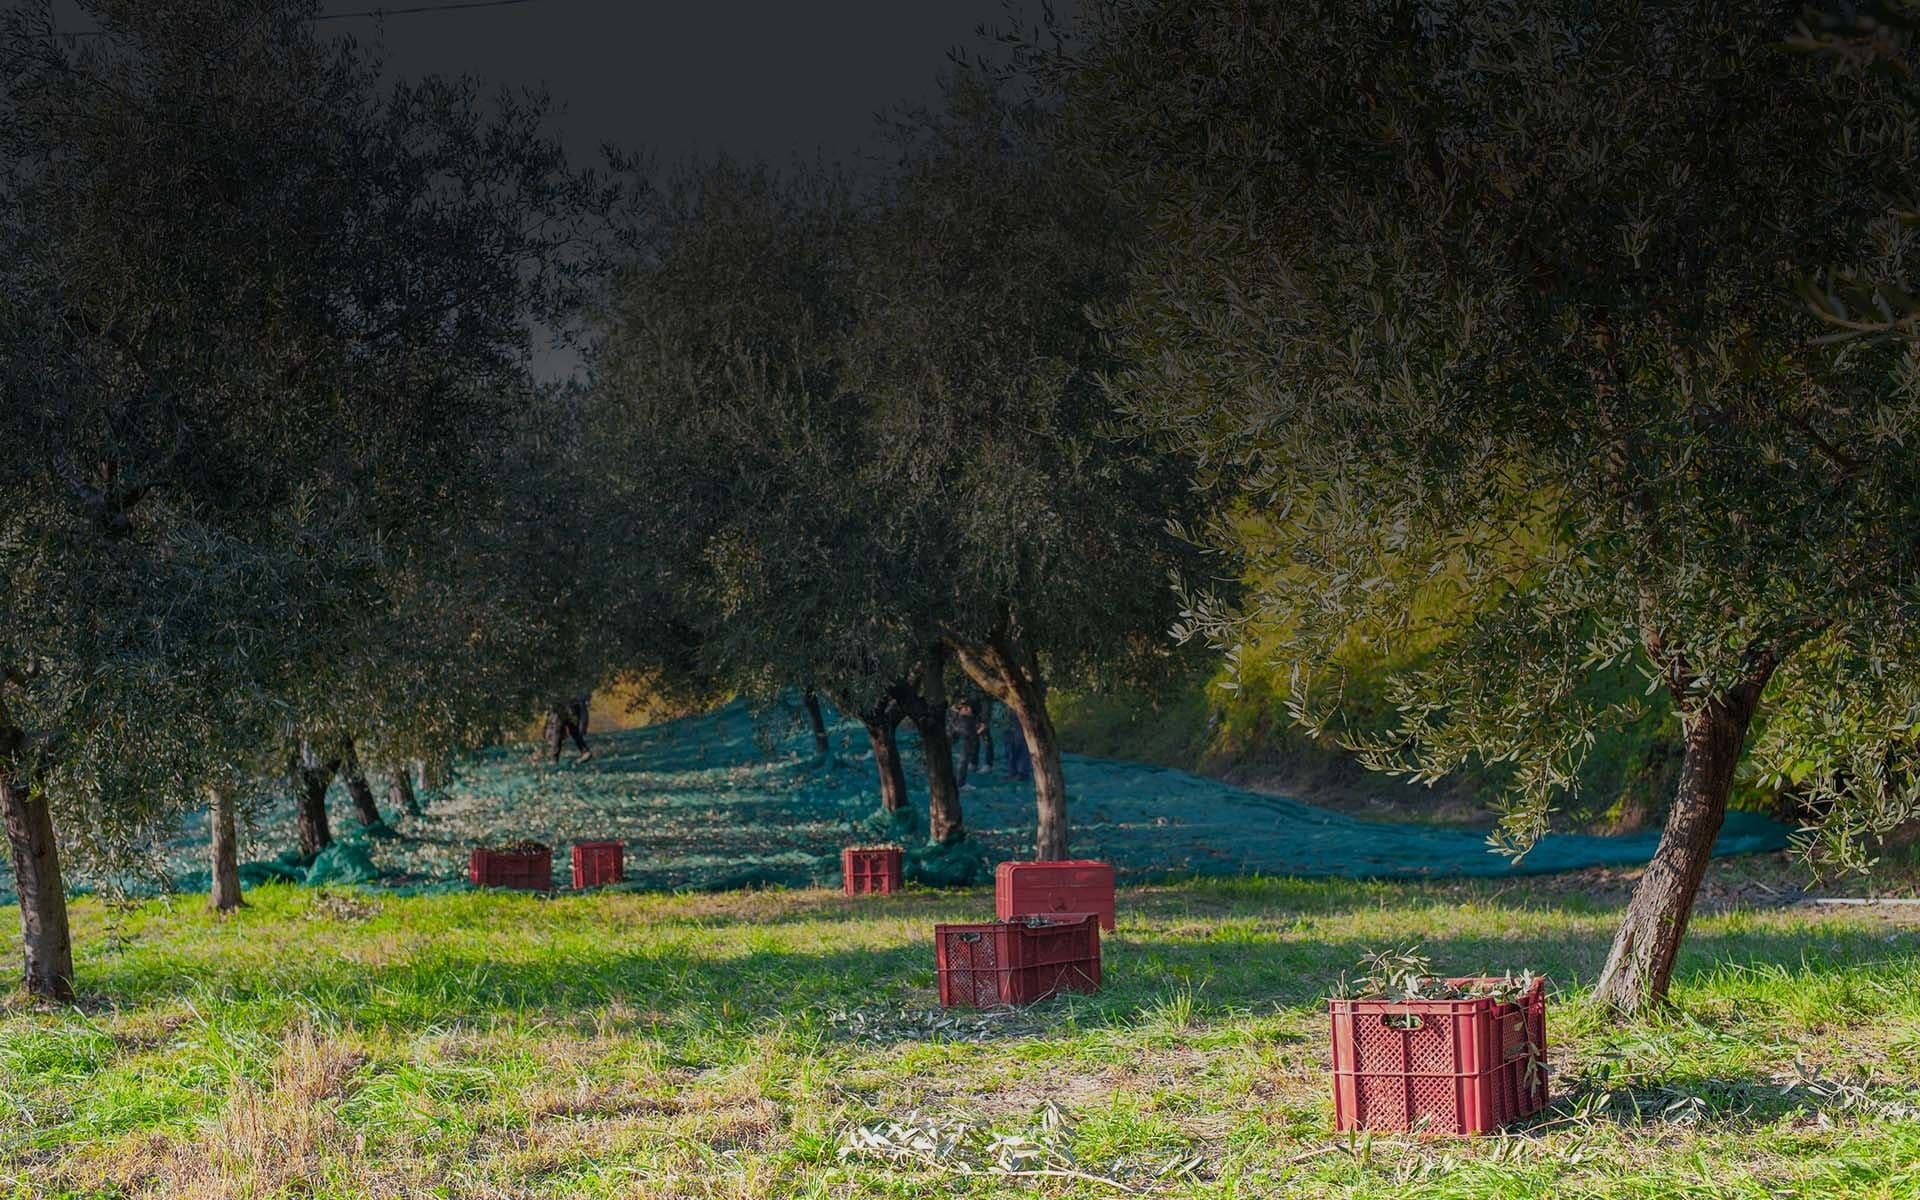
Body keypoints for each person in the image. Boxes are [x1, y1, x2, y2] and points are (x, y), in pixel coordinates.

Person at [947, 698, 981, 787]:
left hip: (963, 723)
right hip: (965, 724)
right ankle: (960, 783)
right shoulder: (964, 715)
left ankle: (959, 782)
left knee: (963, 758)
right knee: (964, 758)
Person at [1003, 707, 1031, 780]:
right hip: (1008, 716)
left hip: (1019, 711)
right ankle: (1012, 772)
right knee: (1009, 746)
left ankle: (1022, 772)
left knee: (1022, 744)